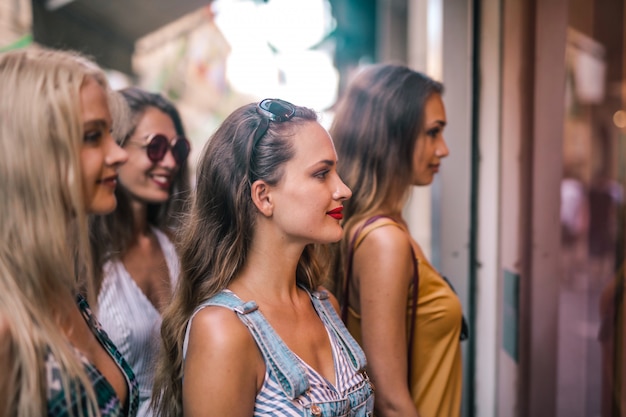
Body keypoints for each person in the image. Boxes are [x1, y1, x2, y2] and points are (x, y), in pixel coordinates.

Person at [152, 99, 375, 416]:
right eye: (322, 174)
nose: (343, 189)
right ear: (264, 196)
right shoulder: (223, 330)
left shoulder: (326, 306)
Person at [0, 47, 139, 416]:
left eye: (110, 133)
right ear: (33, 151)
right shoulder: (6, 321)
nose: (118, 154)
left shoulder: (64, 285)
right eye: (93, 136)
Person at [329, 63, 462, 417]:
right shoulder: (384, 240)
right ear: (393, 136)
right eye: (433, 133)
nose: (444, 149)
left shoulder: (374, 228)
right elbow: (390, 402)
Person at [90, 87, 191, 416]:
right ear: (116, 147)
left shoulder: (178, 246)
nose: (171, 161)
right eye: (156, 146)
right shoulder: (83, 260)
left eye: (178, 148)